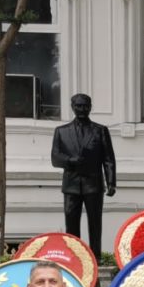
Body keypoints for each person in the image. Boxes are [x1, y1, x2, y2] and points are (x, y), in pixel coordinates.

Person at [51, 93, 117, 259]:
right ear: (72, 107)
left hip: (93, 184)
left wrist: (111, 182)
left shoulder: (100, 131)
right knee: (71, 223)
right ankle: (74, 257)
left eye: (85, 106)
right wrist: (71, 160)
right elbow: (55, 158)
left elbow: (108, 158)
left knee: (95, 223)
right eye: (79, 106)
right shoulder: (61, 131)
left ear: (90, 107)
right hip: (71, 185)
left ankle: (96, 257)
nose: (82, 109)